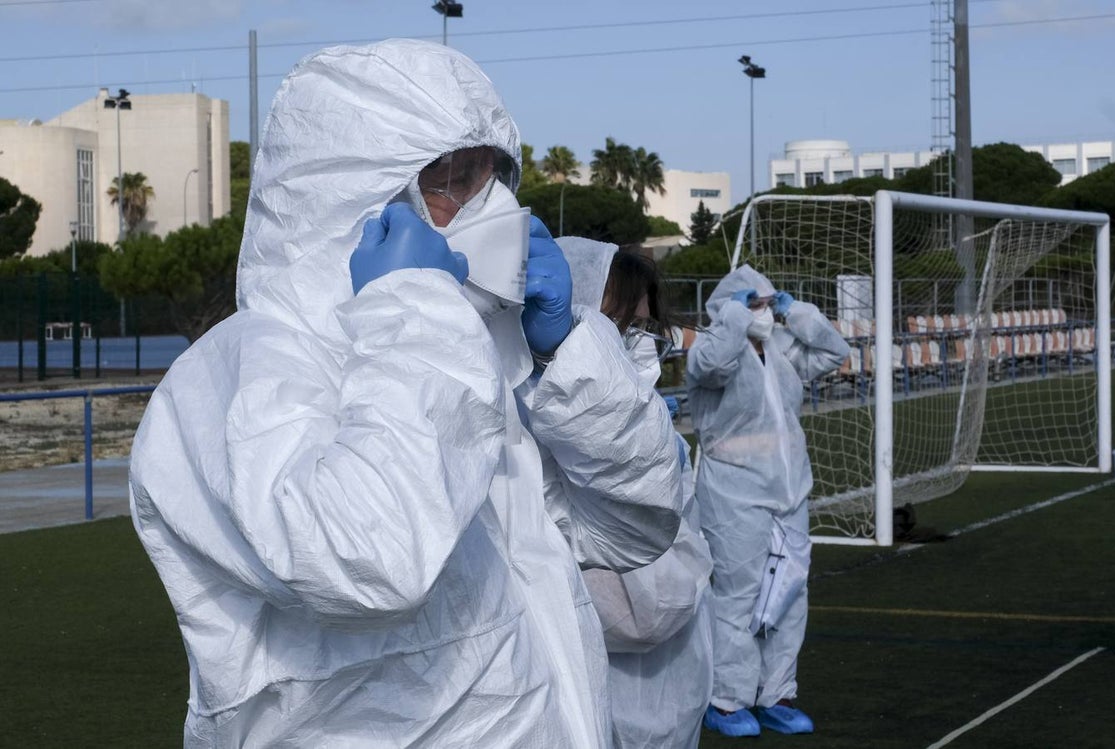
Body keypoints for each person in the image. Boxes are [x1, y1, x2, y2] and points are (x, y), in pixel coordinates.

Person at [129, 38, 682, 747]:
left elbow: (637, 525)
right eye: (456, 177)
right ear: (353, 194)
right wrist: (413, 309)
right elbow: (369, 559)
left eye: (494, 177)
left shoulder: (459, 353)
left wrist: (566, 359)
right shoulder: (229, 381)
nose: (495, 207)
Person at [562, 241, 715, 748]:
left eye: (645, 327)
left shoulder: (656, 425)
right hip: (594, 688)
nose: (639, 341)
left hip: (677, 681)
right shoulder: (544, 427)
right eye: (622, 325)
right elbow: (640, 613)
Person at [688, 264, 849, 738]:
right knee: (738, 597)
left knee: (791, 594)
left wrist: (793, 311)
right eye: (753, 303)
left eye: (766, 303)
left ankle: (777, 693)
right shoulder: (718, 351)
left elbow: (834, 351)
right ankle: (728, 699)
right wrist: (735, 321)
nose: (762, 311)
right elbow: (710, 366)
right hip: (734, 493)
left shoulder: (780, 350)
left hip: (789, 488)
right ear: (729, 308)